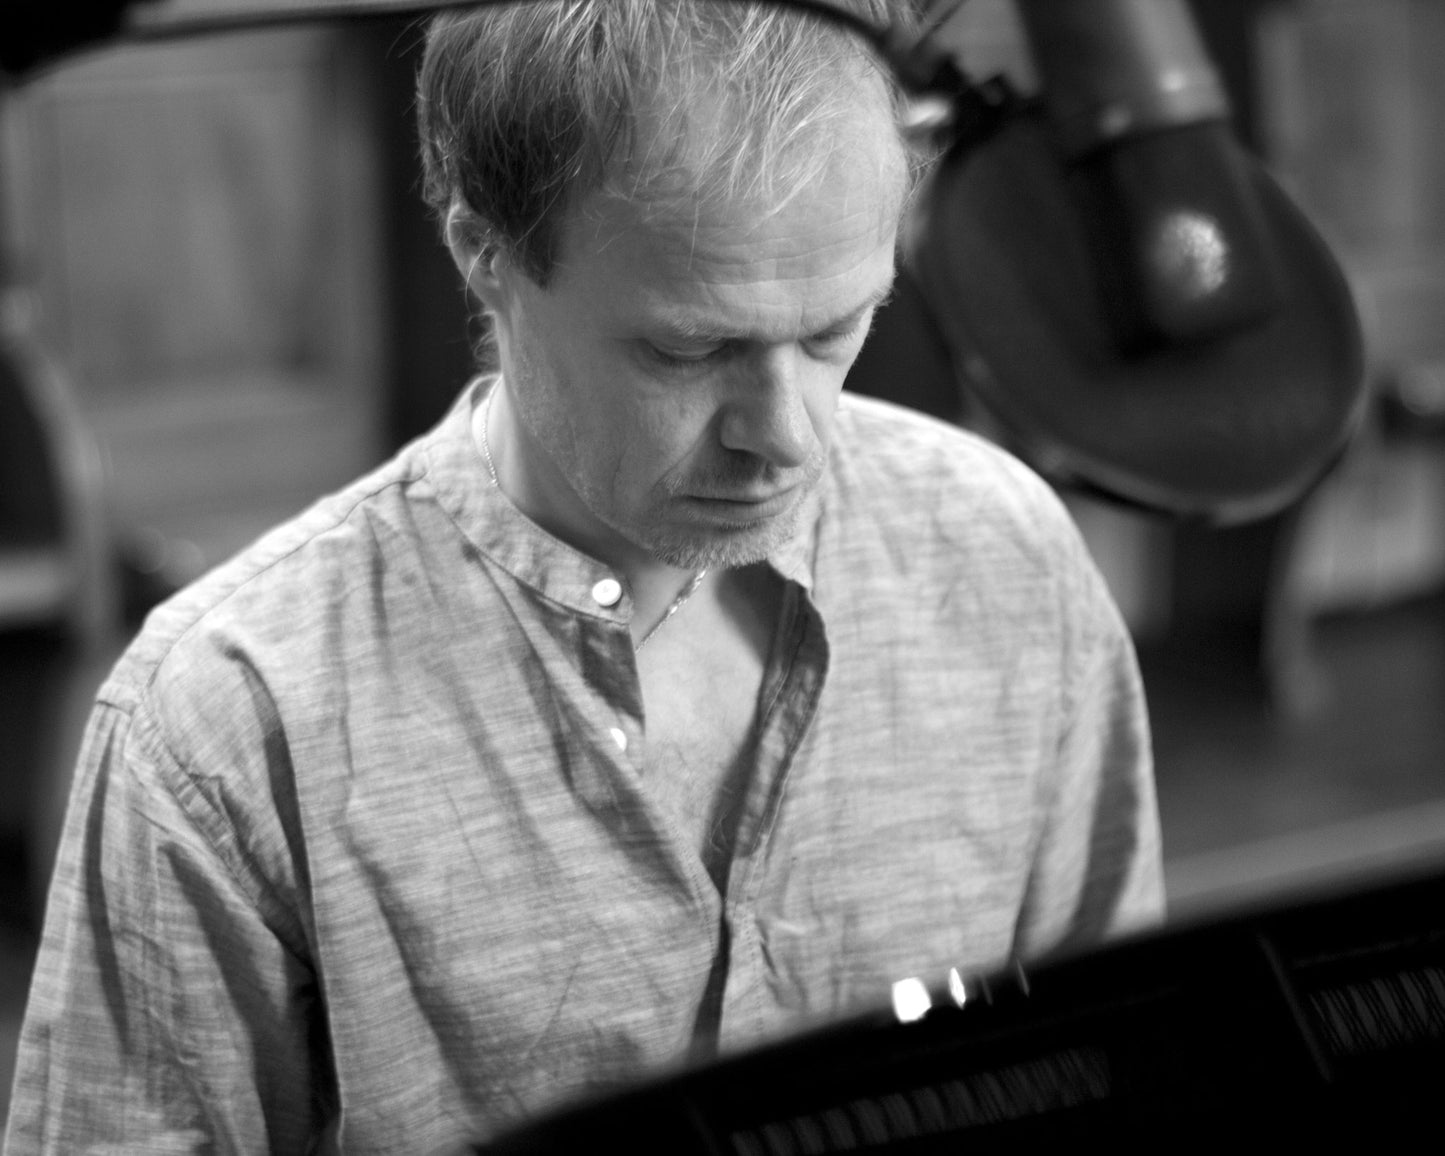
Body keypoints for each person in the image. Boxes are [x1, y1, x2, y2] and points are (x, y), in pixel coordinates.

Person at [4, 1, 1163, 1151]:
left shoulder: (1006, 563)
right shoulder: (229, 725)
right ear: (484, 254)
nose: (790, 436)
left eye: (833, 330)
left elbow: (1126, 1068)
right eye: (688, 348)